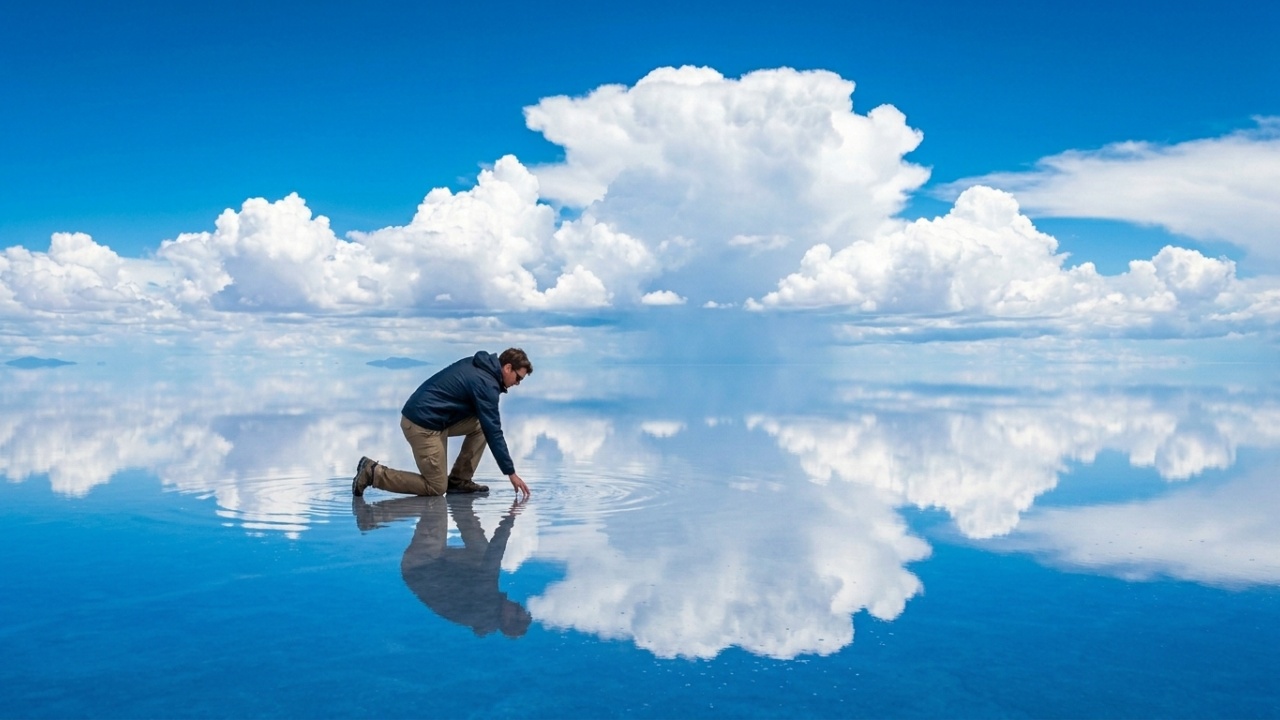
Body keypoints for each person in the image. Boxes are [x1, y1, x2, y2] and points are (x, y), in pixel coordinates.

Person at [352, 348, 532, 497]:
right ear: (508, 368)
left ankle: (459, 481)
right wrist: (511, 473)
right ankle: (373, 473)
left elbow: (487, 426)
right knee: (436, 487)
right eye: (519, 378)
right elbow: (494, 431)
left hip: (436, 419)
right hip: (422, 425)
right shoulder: (486, 384)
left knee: (481, 426)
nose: (517, 384)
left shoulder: (481, 367)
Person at [351, 493, 533, 638]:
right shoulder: (486, 612)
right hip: (435, 566)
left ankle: (371, 516)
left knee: (435, 503)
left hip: (420, 563)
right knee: (481, 555)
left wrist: (510, 517)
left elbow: (496, 552)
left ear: (507, 620)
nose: (517, 603)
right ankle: (462, 510)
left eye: (517, 609)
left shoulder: (486, 602)